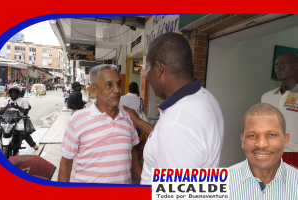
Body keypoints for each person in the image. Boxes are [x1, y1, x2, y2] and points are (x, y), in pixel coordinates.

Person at [122, 32, 224, 185]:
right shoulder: (205, 96)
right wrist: (137, 120)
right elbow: (163, 138)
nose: (146, 76)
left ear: (159, 69)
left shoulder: (177, 122)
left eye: (147, 68)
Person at [58, 64, 142, 183]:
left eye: (118, 84)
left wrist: (145, 181)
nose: (117, 90)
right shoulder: (78, 119)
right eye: (109, 85)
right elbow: (66, 163)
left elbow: (131, 151)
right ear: (94, 90)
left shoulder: (128, 117)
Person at [229, 103, 298, 199]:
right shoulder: (217, 183)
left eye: (271, 135)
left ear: (286, 140)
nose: (261, 144)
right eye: (252, 135)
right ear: (242, 141)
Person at [261, 52, 298, 168]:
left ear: (296, 66)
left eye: (283, 64)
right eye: (276, 65)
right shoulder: (266, 97)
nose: (278, 68)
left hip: (295, 153)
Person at [0, 85, 38, 150]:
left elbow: (26, 111)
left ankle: (33, 144)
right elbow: (1, 112)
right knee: (0, 131)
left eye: (15, 92)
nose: (13, 94)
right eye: (12, 92)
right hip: (7, 120)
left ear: (18, 93)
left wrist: (18, 107)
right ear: (9, 93)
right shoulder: (6, 101)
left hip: (19, 119)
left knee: (23, 133)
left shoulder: (23, 100)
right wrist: (6, 107)